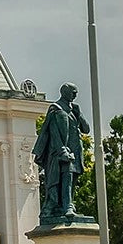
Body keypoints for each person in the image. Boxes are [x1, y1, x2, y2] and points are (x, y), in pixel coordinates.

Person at [32, 83, 91, 223]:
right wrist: (62, 151)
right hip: (60, 154)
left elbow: (86, 129)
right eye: (73, 92)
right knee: (66, 178)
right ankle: (67, 206)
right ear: (64, 92)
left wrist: (79, 113)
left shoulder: (74, 110)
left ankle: (67, 204)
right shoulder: (56, 109)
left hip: (75, 151)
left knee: (72, 179)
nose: (75, 95)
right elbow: (53, 133)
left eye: (76, 93)